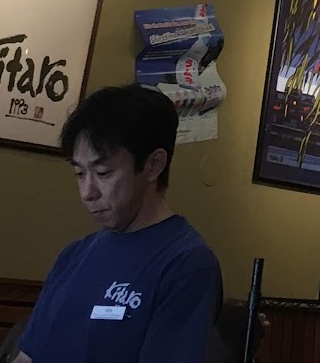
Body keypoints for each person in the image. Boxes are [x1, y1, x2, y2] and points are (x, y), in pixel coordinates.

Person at [17, 85, 222, 363]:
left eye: (103, 173)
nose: (87, 192)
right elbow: (27, 356)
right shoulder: (73, 256)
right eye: (79, 173)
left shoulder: (186, 265)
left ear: (153, 165)